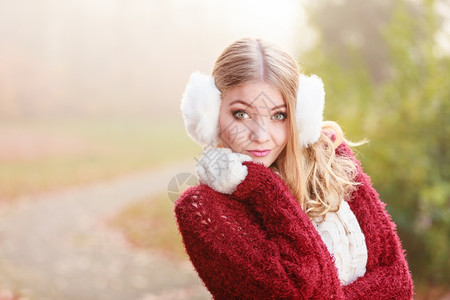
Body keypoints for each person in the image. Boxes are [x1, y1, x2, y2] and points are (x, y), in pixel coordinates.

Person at [175, 37, 414, 299]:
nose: (261, 135)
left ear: (300, 116)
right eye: (241, 114)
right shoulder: (202, 209)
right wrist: (261, 187)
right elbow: (300, 292)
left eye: (279, 115)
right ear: (210, 113)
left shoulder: (332, 160)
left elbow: (398, 281)